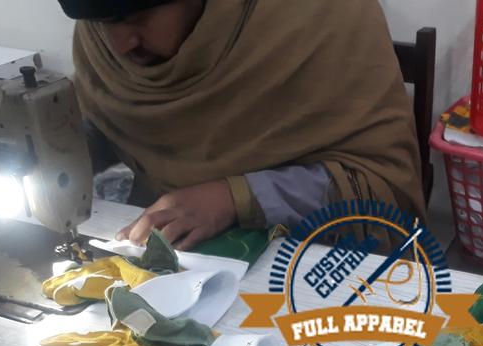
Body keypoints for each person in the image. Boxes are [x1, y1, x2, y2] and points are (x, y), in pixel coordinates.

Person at [57, 0, 425, 250]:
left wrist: (236, 198)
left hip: (311, 258)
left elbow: (380, 185)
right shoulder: (102, 33)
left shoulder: (321, 16)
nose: (120, 46)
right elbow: (114, 123)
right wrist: (59, 150)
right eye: (103, 24)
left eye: (137, 17)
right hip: (168, 244)